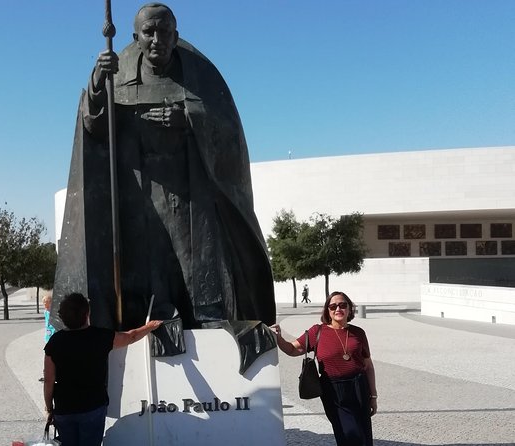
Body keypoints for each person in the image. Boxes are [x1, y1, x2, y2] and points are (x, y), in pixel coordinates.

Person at [53, 2, 275, 332]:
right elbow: (95, 128)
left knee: (194, 268)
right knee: (148, 271)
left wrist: (187, 119)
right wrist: (99, 81)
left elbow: (228, 133)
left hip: (189, 197)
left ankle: (208, 326)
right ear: (136, 37)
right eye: (149, 32)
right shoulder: (118, 78)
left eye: (164, 32)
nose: (157, 38)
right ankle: (153, 324)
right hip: (139, 198)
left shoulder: (200, 78)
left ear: (175, 35)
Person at [44, 292, 162, 445]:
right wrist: (149, 327)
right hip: (93, 406)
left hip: (64, 408)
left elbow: (48, 380)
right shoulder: (100, 337)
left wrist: (49, 408)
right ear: (87, 314)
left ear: (62, 316)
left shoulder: (55, 342)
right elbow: (130, 336)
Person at [271, 291, 377, 446]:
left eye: (342, 305)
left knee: (364, 434)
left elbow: (368, 366)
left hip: (359, 387)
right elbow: (292, 350)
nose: (338, 309)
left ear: (349, 309)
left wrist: (373, 396)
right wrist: (279, 338)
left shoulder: (358, 333)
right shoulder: (317, 331)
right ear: (328, 310)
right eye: (333, 306)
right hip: (333, 391)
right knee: (348, 435)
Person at [39, 295, 56, 382]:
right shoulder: (46, 312)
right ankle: (46, 373)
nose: (44, 304)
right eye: (43, 302)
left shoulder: (52, 312)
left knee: (52, 354)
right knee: (48, 353)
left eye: (46, 302)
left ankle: (50, 373)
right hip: (48, 335)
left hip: (53, 334)